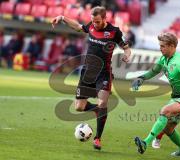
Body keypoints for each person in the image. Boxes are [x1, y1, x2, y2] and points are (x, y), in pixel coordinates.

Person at [51, 6, 131, 150]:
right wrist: (62, 18)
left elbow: (126, 47)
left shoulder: (114, 32)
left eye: (98, 21)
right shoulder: (91, 26)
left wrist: (126, 54)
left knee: (103, 103)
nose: (95, 24)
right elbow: (77, 27)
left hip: (104, 73)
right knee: (79, 107)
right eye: (93, 21)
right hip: (87, 73)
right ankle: (96, 110)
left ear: (105, 19)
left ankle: (97, 138)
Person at [132, 32, 180, 157]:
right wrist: (141, 78)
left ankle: (145, 142)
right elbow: (153, 71)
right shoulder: (164, 59)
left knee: (165, 111)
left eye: (163, 46)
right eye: (160, 45)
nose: (160, 48)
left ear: (172, 46)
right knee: (168, 129)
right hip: (175, 98)